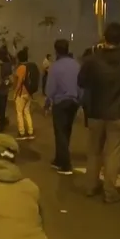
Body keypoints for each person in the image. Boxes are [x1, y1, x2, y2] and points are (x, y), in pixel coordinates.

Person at [77, 22, 120, 203]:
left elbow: (81, 82)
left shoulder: (93, 59)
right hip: (119, 111)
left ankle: (90, 186)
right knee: (113, 153)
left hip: (95, 111)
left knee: (94, 151)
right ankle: (110, 192)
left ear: (104, 37)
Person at [45, 39, 82, 175]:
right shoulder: (76, 65)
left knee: (60, 132)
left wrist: (48, 101)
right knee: (67, 131)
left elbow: (51, 88)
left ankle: (66, 164)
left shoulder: (55, 66)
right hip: (74, 102)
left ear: (56, 50)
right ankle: (59, 159)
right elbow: (80, 84)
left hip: (60, 102)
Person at [13, 48, 37, 140]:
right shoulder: (30, 66)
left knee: (19, 112)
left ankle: (21, 132)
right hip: (29, 93)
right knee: (27, 112)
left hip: (21, 93)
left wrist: (15, 92)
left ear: (19, 58)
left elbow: (19, 81)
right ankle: (30, 131)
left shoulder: (21, 68)